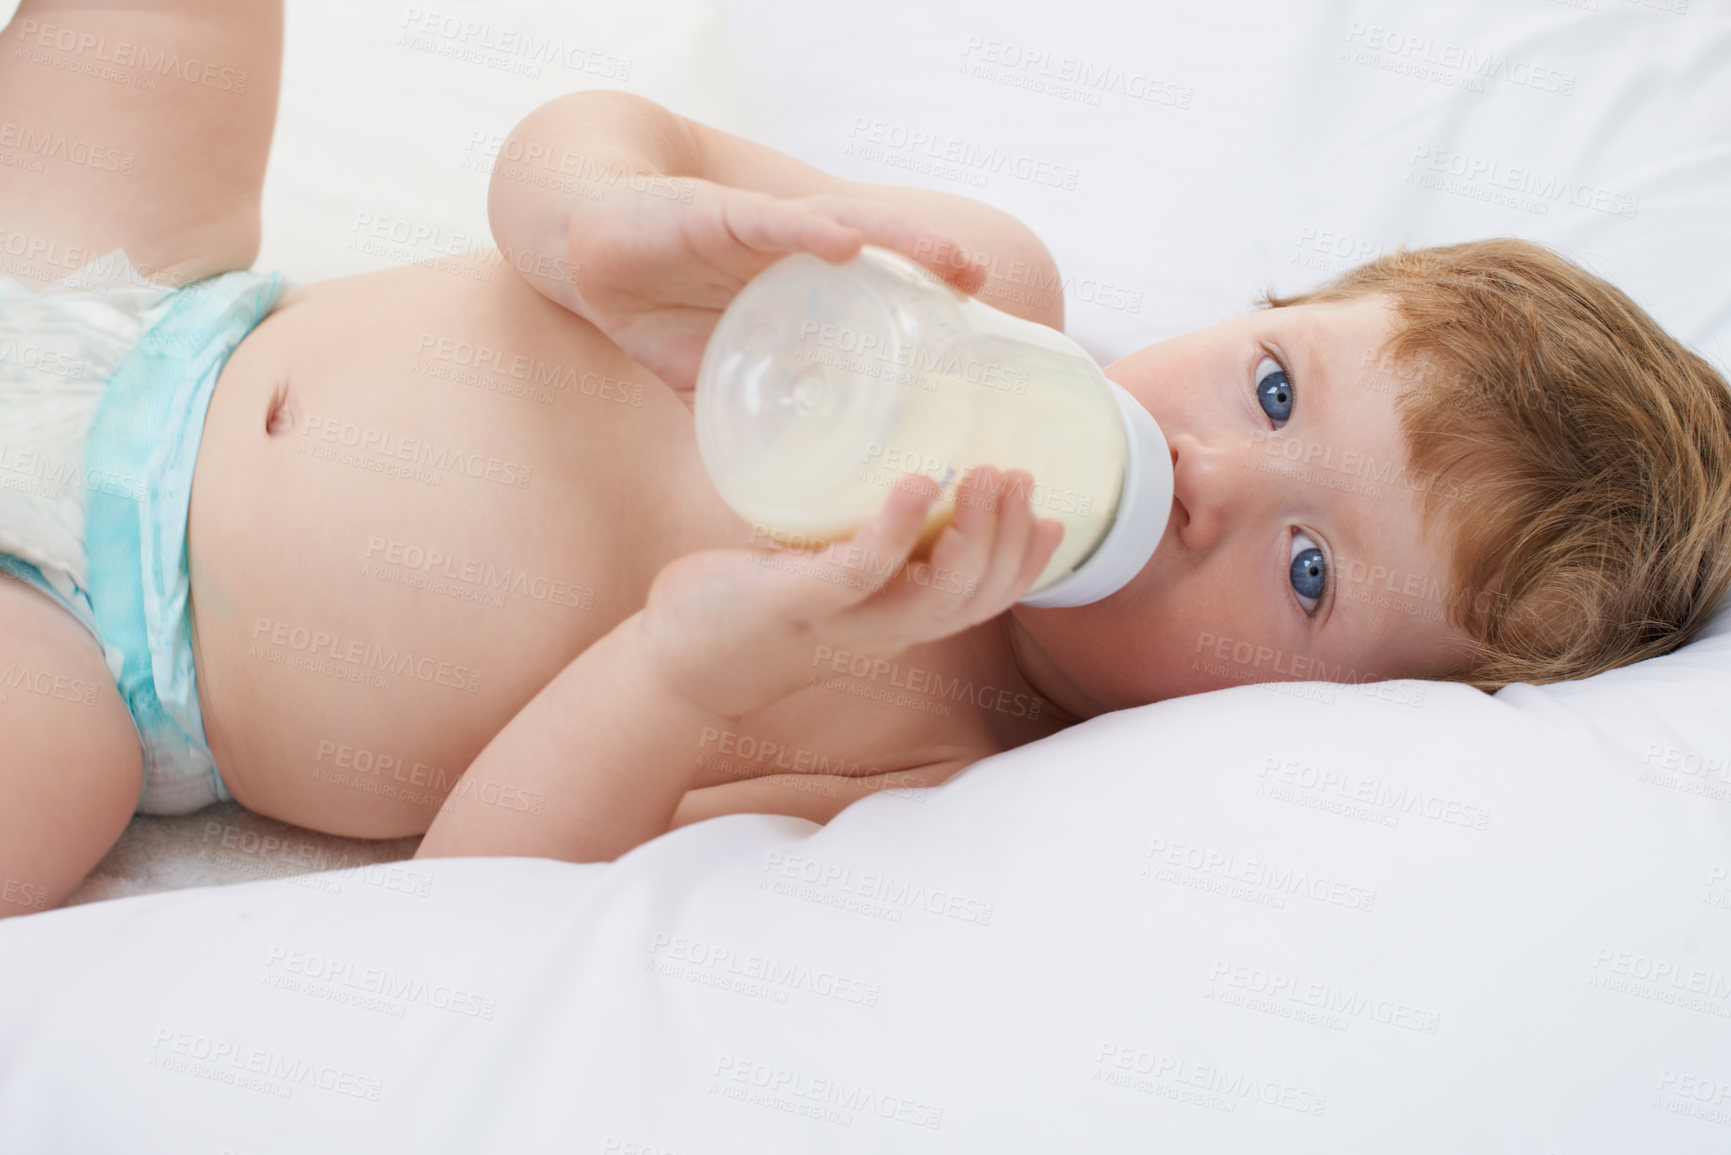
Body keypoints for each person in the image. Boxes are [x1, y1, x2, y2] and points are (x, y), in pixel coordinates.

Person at [4, 1, 1729, 916]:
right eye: (1277, 390)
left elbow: (479, 893)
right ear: (1264, 307)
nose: (1207, 474)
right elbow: (604, 138)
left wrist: (688, 665)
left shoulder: (925, 754)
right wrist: (604, 215)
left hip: (101, 655)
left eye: (1307, 570)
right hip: (151, 297)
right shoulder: (982, 285)